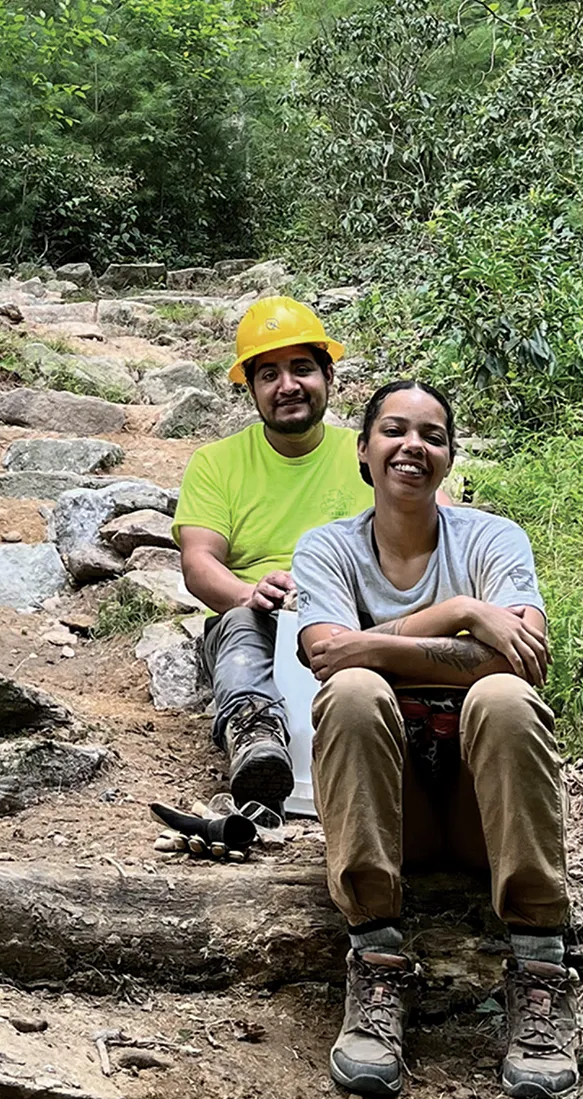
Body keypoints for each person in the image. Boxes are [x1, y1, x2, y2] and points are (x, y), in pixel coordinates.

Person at [294, 380, 575, 1099]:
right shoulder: (328, 549)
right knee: (352, 694)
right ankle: (377, 960)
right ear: (362, 450)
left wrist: (373, 643)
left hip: (486, 815)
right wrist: (459, 613)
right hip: (397, 813)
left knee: (505, 696)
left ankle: (540, 967)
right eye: (394, 430)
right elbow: (327, 659)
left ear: (448, 457)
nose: (412, 445)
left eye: (432, 434)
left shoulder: (493, 538)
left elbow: (522, 660)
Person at [171, 297, 374, 811]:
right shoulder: (217, 464)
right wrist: (249, 593)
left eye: (301, 368)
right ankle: (256, 739)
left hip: (360, 618)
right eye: (269, 374)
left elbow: (441, 523)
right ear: (252, 390)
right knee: (239, 622)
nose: (287, 386)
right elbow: (198, 563)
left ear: (329, 375)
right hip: (258, 621)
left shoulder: (371, 452)